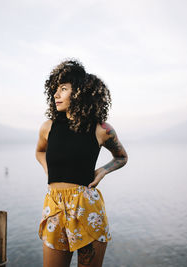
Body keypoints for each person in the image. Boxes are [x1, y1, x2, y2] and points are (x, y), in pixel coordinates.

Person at [35, 59, 128, 267]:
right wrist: (49, 170)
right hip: (54, 206)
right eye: (55, 89)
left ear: (79, 93)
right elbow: (40, 151)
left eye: (64, 89)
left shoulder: (102, 129)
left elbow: (122, 157)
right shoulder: (48, 127)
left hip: (87, 207)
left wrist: (102, 171)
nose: (56, 95)